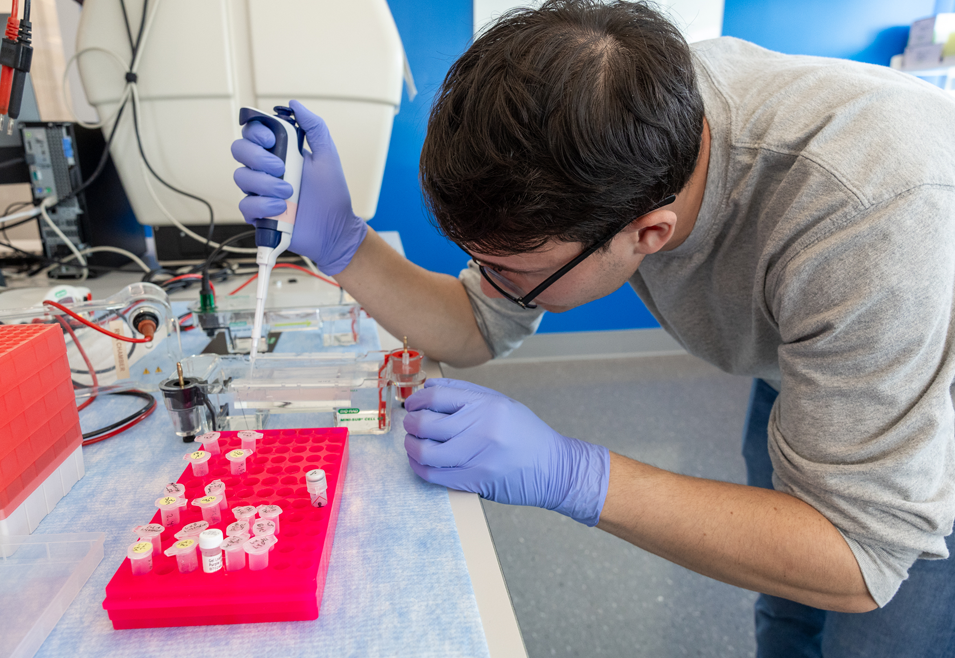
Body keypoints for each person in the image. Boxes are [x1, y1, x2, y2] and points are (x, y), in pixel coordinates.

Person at [230, 1, 955, 655]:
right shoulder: (617, 119)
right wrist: (347, 246)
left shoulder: (866, 221)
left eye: (512, 270)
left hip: (927, 381)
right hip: (820, 353)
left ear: (649, 231)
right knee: (789, 611)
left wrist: (571, 474)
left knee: (873, 631)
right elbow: (477, 325)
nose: (495, 284)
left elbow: (857, 557)